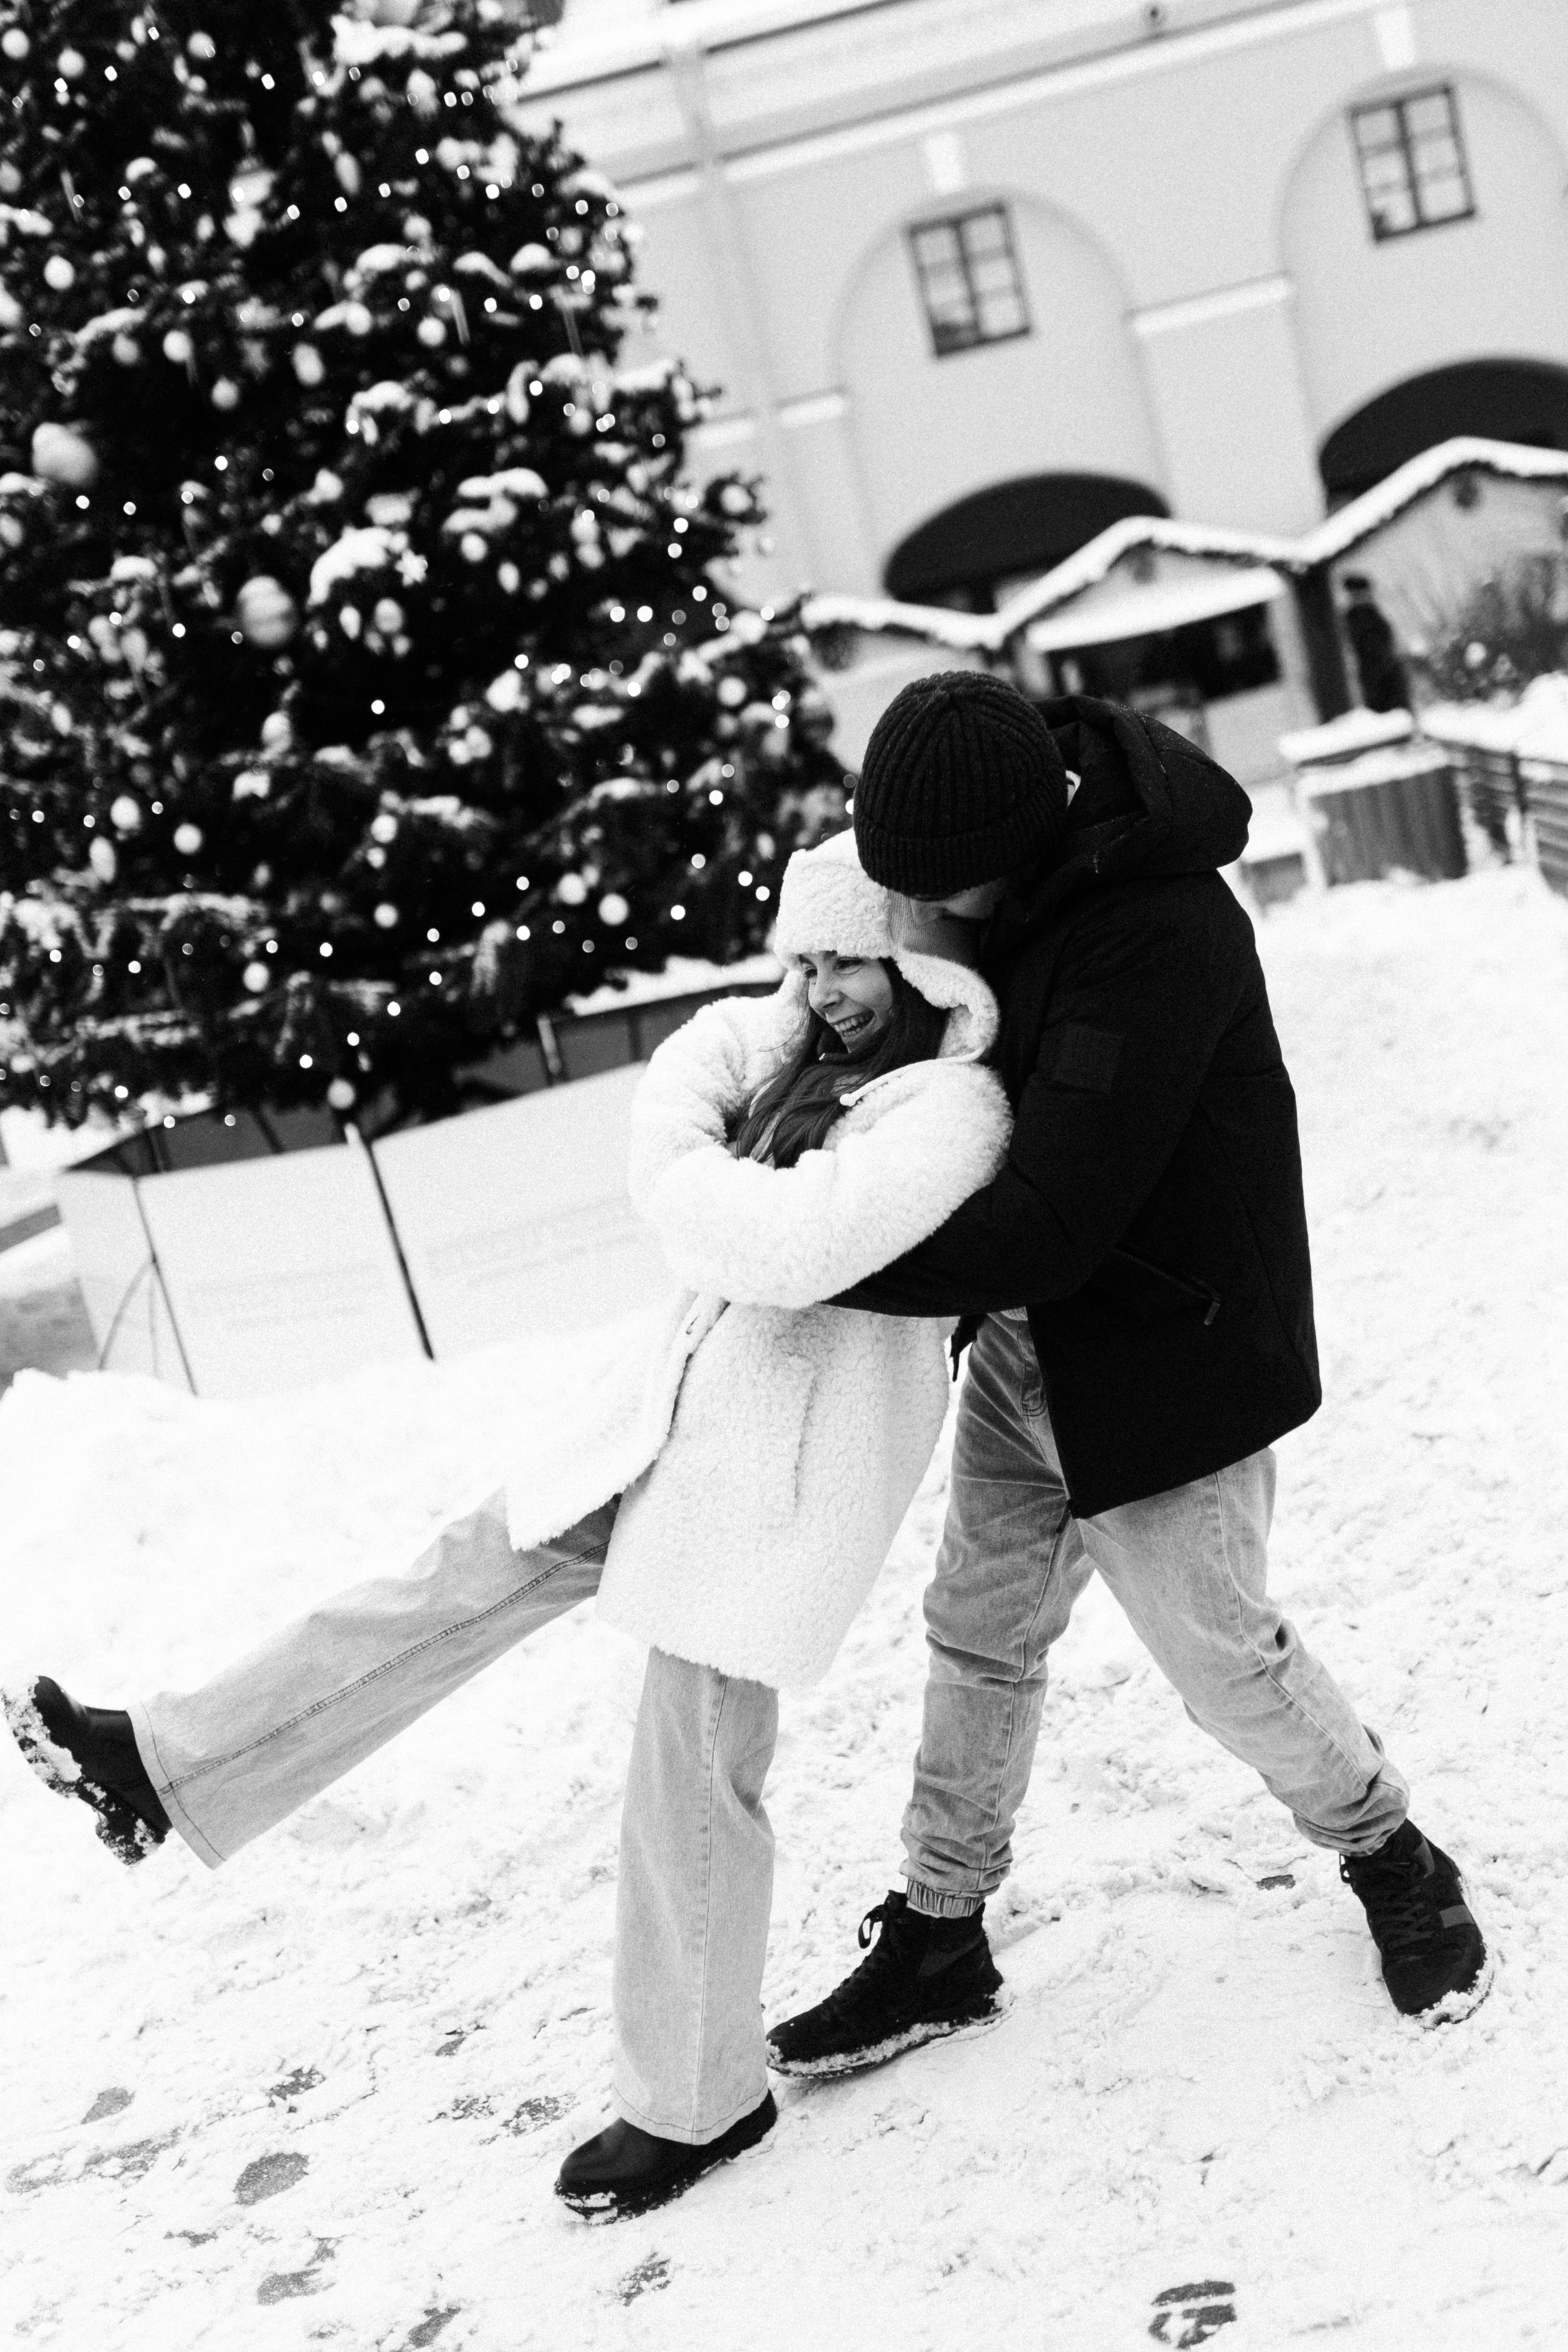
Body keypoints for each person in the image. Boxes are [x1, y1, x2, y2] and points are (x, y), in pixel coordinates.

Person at [4, 827, 1012, 2220]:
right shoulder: (797, 1050)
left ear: (910, 953)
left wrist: (683, 1187)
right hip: (661, 1430)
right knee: (442, 1580)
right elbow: (685, 1086)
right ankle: (161, 1762)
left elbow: (786, 1249)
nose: (820, 986)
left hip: (774, 1489)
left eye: (849, 956)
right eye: (803, 957)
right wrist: (701, 1165)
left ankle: (699, 2100)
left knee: (692, 1777)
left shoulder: (950, 1111)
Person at [758, 671, 1488, 2081]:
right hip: (1036, 1338)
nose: (921, 914)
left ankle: (1385, 1846)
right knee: (976, 1626)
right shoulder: (1007, 876)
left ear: (1013, 838)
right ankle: (939, 1926)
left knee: (1219, 1654)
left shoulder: (1151, 931)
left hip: (1166, 1344)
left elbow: (1052, 1214)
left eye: (931, 887)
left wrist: (808, 1251)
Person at [1341, 573, 1411, 713]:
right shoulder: (1355, 617)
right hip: (1375, 676)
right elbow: (1367, 647)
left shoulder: (1372, 612)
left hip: (1388, 672)